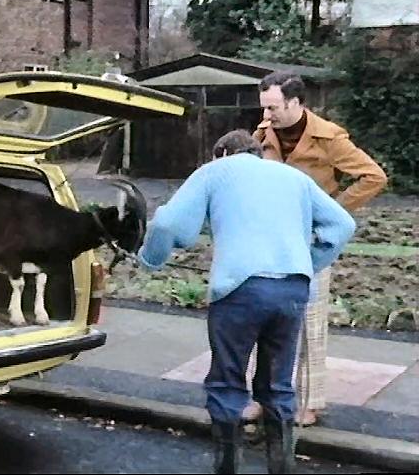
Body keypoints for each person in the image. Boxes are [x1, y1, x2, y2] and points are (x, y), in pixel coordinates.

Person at [137, 130, 355, 474]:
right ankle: (281, 467)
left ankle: (227, 468)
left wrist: (150, 259)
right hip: (292, 289)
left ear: (221, 153)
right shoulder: (294, 177)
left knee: (227, 382)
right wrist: (307, 262)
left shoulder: (216, 171)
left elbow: (167, 222)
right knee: (278, 385)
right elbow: (343, 223)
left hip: (240, 290)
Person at [251, 72, 387, 426]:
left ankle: (310, 403)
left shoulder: (329, 137)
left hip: (312, 241)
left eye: (274, 107)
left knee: (310, 320)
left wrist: (334, 211)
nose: (267, 115)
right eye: (264, 107)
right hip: (270, 236)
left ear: (296, 103)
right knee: (264, 317)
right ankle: (263, 397)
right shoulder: (263, 133)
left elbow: (374, 176)